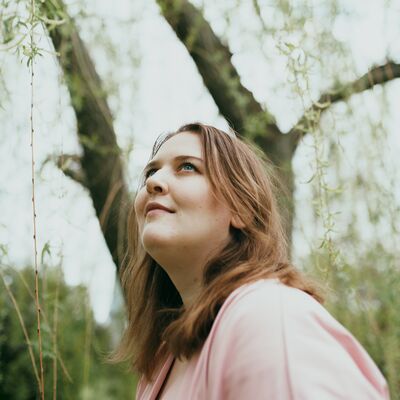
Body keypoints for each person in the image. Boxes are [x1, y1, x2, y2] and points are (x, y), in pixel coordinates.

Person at [113, 123, 390, 399]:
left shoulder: (268, 317)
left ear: (241, 209)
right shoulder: (162, 361)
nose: (153, 182)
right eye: (151, 172)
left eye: (187, 167)